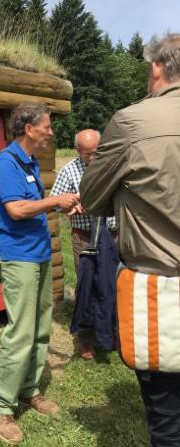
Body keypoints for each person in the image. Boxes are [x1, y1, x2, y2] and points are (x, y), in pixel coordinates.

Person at [79, 33, 180, 446]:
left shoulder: (133, 122)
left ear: (157, 68)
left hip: (161, 292)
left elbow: (91, 197)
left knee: (167, 421)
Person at [0, 103, 80, 444]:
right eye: (47, 125)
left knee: (40, 328)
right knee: (21, 333)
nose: (51, 131)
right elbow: (17, 208)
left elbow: (34, 204)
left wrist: (64, 204)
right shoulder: (6, 162)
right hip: (17, 258)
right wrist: (55, 201)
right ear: (29, 128)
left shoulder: (29, 162)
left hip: (38, 256)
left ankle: (28, 389)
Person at [50, 129, 117, 359]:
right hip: (84, 235)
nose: (92, 157)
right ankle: (86, 341)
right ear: (78, 151)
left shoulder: (111, 165)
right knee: (87, 285)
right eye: (87, 153)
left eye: (96, 152)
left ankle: (111, 332)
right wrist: (70, 206)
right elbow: (56, 202)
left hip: (112, 234)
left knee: (112, 284)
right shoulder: (70, 170)